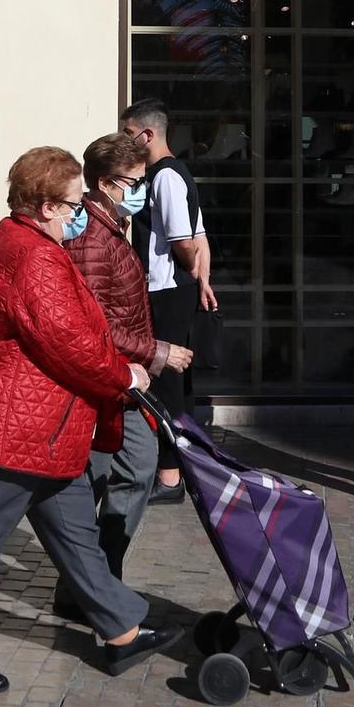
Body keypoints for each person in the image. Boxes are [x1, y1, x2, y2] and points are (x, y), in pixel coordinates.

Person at [0, 146, 181, 692]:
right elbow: (66, 341)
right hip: (15, 425)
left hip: (43, 427)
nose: (78, 213)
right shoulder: (32, 255)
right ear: (44, 206)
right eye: (70, 205)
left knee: (76, 538)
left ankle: (121, 630)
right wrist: (124, 376)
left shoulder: (22, 238)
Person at [56, 132, 192, 617]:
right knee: (114, 473)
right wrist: (159, 351)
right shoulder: (93, 237)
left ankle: (90, 583)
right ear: (104, 182)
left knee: (118, 470)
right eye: (134, 182)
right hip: (112, 376)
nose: (142, 190)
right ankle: (93, 584)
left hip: (125, 376)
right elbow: (99, 324)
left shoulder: (111, 225)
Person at [121, 99, 216, 504]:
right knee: (173, 379)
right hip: (172, 288)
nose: (125, 143)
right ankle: (180, 468)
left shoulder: (166, 177)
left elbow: (185, 239)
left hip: (166, 289)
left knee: (168, 380)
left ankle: (172, 473)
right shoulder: (169, 174)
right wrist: (202, 277)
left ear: (148, 134)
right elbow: (200, 234)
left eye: (128, 135)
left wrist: (193, 271)